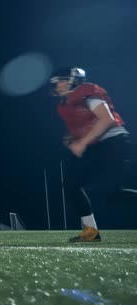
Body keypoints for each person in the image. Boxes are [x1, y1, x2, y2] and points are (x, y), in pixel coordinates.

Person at [50, 67, 132, 242]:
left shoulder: (87, 91)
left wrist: (82, 143)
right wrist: (72, 138)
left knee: (110, 192)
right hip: (97, 145)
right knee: (72, 184)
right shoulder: (64, 104)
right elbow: (82, 125)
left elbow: (106, 119)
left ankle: (91, 231)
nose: (58, 85)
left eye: (61, 80)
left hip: (113, 142)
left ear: (73, 80)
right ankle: (91, 231)